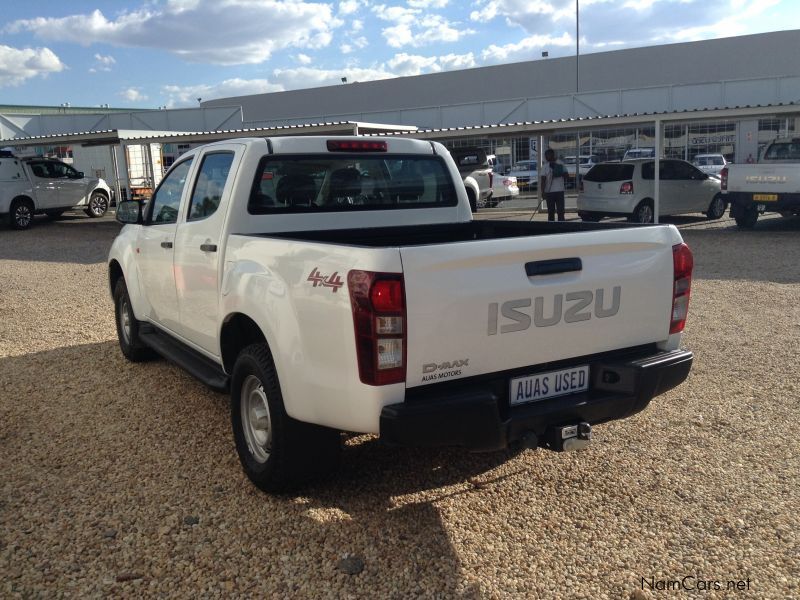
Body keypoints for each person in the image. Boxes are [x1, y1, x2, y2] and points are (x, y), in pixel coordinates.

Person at [540, 148, 567, 221]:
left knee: (561, 211)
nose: (545, 157)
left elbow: (566, 176)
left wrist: (557, 170)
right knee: (550, 212)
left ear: (552, 155)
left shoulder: (560, 163)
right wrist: (543, 192)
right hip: (549, 192)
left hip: (559, 191)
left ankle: (561, 227)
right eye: (545, 156)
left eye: (547, 155)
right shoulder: (545, 166)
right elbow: (543, 180)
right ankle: (551, 227)